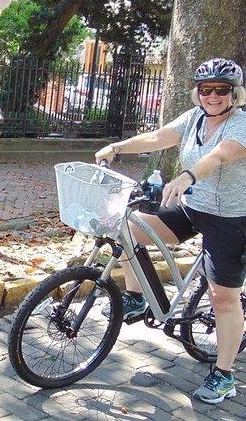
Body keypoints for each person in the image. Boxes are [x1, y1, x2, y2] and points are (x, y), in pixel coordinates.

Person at [94, 58, 246, 404]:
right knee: (130, 228)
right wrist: (117, 147)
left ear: (234, 94)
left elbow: (221, 156)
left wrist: (187, 175)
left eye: (221, 90)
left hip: (230, 218)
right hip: (192, 207)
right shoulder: (194, 119)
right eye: (206, 89)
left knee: (223, 297)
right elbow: (159, 137)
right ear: (198, 93)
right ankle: (135, 297)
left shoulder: (241, 124)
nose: (213, 96)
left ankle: (224, 375)